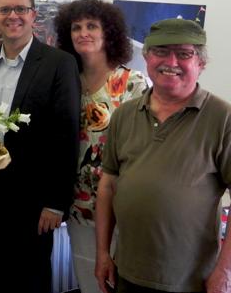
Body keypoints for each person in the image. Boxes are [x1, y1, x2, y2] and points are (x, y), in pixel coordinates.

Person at [95, 18, 231, 293]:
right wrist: (102, 253)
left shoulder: (223, 118)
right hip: (128, 272)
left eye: (184, 53)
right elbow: (107, 186)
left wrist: (224, 272)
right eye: (161, 51)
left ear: (201, 63)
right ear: (146, 57)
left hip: (190, 281)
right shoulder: (124, 114)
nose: (171, 61)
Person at [0, 0, 80, 293]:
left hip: (34, 204)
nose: (12, 15)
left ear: (33, 14)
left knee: (29, 280)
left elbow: (66, 135)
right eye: (5, 9)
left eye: (20, 8)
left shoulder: (60, 64)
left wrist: (56, 203)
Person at [54, 0, 148, 293]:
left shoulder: (133, 83)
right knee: (90, 283)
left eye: (92, 26)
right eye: (76, 27)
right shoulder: (65, 81)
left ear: (109, 32)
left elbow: (144, 149)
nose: (83, 32)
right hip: (79, 208)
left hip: (122, 209)